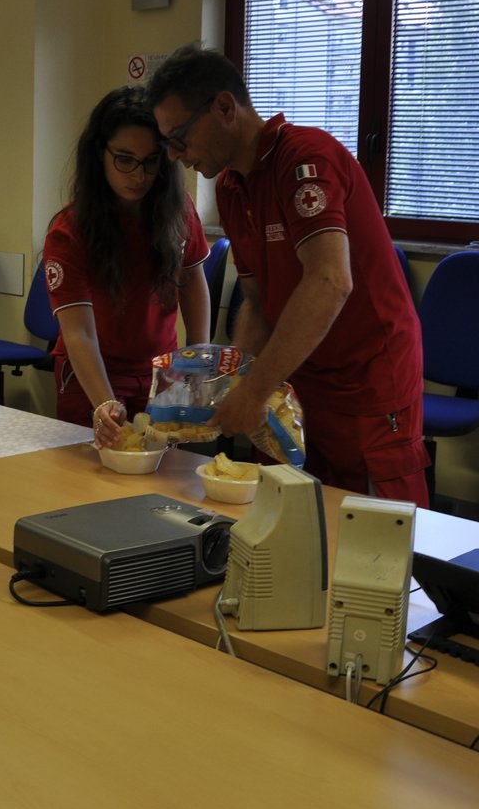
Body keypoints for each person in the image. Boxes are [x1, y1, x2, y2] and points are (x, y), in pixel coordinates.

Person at [146, 44, 429, 506]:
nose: (176, 155)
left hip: (368, 380)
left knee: (371, 532)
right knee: (288, 514)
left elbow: (330, 281)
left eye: (179, 137)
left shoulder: (305, 160)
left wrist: (254, 392)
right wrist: (232, 384)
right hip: (299, 371)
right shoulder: (233, 189)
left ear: (223, 107)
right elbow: (258, 302)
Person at [43, 87, 210, 447]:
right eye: (124, 159)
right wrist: (104, 402)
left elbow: (192, 281)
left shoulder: (179, 210)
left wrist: (198, 365)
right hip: (93, 374)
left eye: (151, 161)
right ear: (98, 155)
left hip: (159, 375)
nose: (139, 175)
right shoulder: (69, 231)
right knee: (92, 480)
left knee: (163, 478)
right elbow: (79, 334)